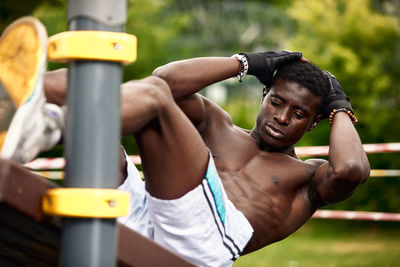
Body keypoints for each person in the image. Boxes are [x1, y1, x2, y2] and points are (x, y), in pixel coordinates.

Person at [1, 17, 370, 267]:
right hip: (142, 209)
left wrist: (340, 106)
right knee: (106, 83)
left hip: (200, 245)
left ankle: (48, 128)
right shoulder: (218, 125)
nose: (282, 117)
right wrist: (247, 61)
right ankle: (15, 101)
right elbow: (166, 79)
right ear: (263, 97)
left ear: (312, 125)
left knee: (154, 101)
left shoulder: (306, 178)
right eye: (277, 102)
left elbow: (351, 168)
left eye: (299, 113)